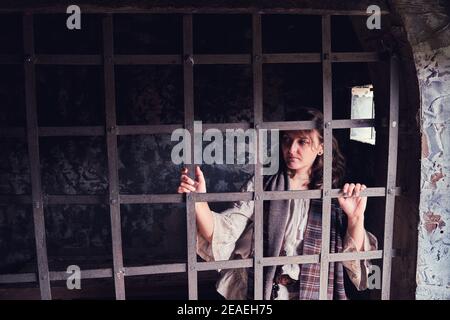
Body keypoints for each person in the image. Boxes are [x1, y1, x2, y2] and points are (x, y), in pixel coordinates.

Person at [177, 108, 378, 300]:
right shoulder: (263, 185)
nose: (291, 149)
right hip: (265, 291)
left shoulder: (334, 195)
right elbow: (223, 232)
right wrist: (199, 201)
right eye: (287, 140)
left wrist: (355, 218)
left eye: (302, 141)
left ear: (321, 147)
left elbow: (356, 265)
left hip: (314, 291)